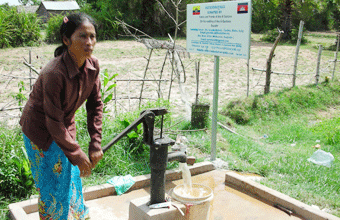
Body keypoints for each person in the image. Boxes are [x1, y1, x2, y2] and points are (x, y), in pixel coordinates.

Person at [20, 13, 103, 219]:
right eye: (82, 36)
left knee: (70, 178)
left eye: (92, 36)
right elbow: (52, 121)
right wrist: (76, 152)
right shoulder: (54, 73)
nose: (89, 42)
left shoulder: (92, 66)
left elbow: (95, 106)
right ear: (66, 40)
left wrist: (95, 143)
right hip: (40, 132)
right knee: (52, 185)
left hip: (63, 128)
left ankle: (75, 216)